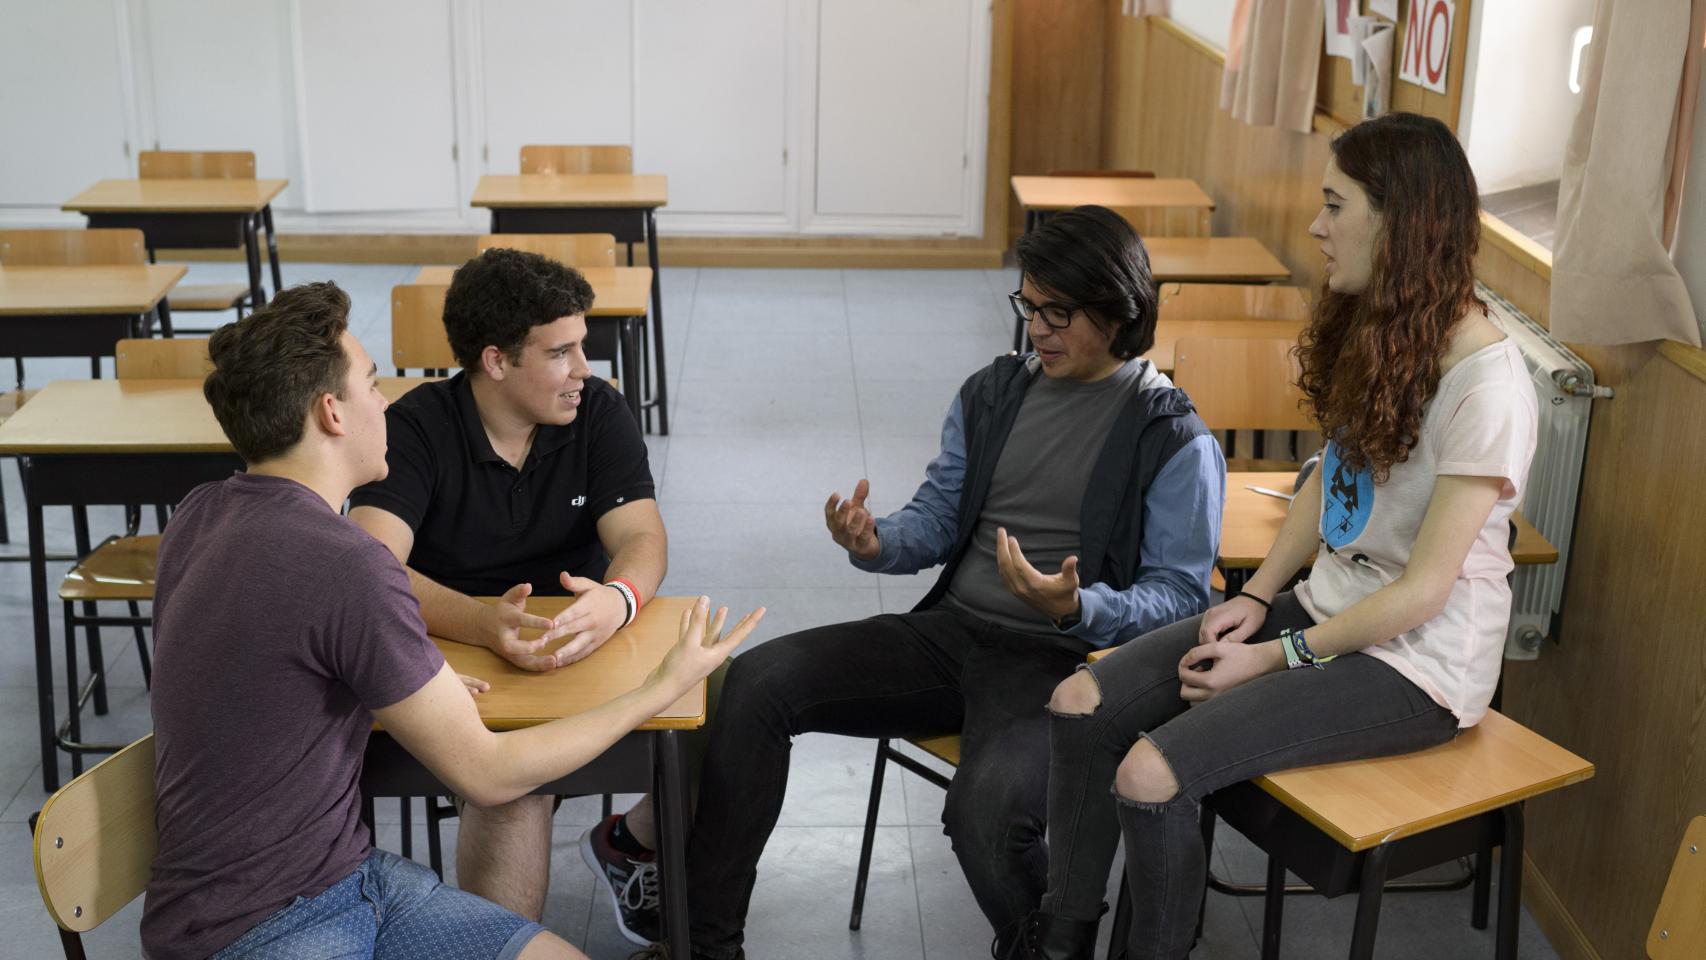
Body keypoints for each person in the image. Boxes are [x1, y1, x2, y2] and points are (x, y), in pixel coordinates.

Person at [633, 205, 1226, 960]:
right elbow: (939, 516)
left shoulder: (1172, 436)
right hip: (950, 634)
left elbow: (1180, 600)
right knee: (752, 685)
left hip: (1058, 663)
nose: (1038, 329)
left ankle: (1045, 948)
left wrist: (1079, 605)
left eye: (1059, 313)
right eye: (1029, 305)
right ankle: (705, 947)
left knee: (984, 810)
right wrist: (878, 539)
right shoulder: (994, 392)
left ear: (1119, 311)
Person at [1022, 113, 1540, 960]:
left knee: (1150, 775)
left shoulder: (1489, 387)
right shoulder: (1388, 327)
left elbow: (1422, 593)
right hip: (1324, 611)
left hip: (1417, 661)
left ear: (1399, 220)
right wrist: (1257, 596)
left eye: (1335, 206)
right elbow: (1322, 485)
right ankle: (1063, 940)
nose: (1315, 226)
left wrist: (1271, 656)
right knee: (1081, 703)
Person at [142, 282, 762, 959]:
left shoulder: (197, 514)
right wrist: (659, 688)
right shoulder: (347, 564)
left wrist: (409, 673)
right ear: (332, 414)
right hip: (260, 929)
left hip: (355, 881)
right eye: (372, 386)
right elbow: (489, 774)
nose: (386, 402)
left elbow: (277, 668)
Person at [349, 249, 671, 943]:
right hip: (461, 674)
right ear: (495, 362)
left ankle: (632, 843)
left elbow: (643, 536)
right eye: (561, 353)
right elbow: (369, 564)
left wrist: (619, 600)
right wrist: (481, 621)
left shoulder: (597, 411)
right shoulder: (416, 428)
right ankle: (501, 945)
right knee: (516, 794)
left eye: (582, 347)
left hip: (578, 653)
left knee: (731, 711)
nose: (583, 369)